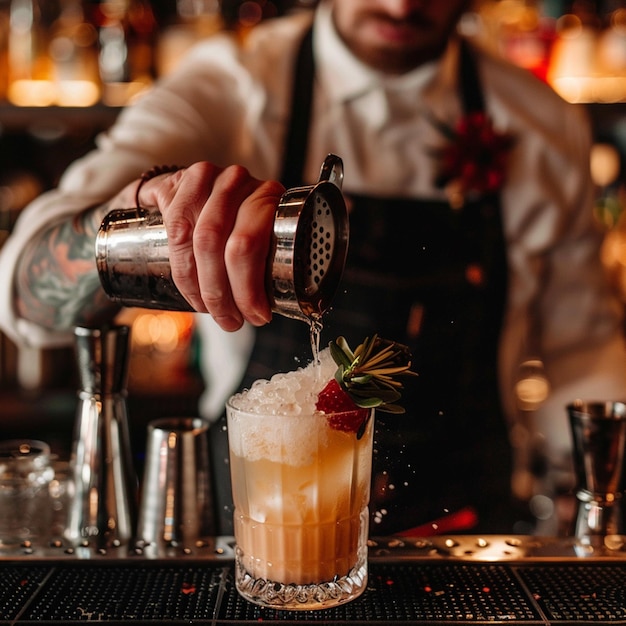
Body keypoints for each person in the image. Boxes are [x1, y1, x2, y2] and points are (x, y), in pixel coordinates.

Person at [1, 0, 625, 536]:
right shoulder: (232, 85)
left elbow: (580, 349)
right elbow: (21, 300)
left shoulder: (542, 122)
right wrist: (131, 210)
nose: (403, 5)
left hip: (463, 521)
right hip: (262, 515)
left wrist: (592, 493)